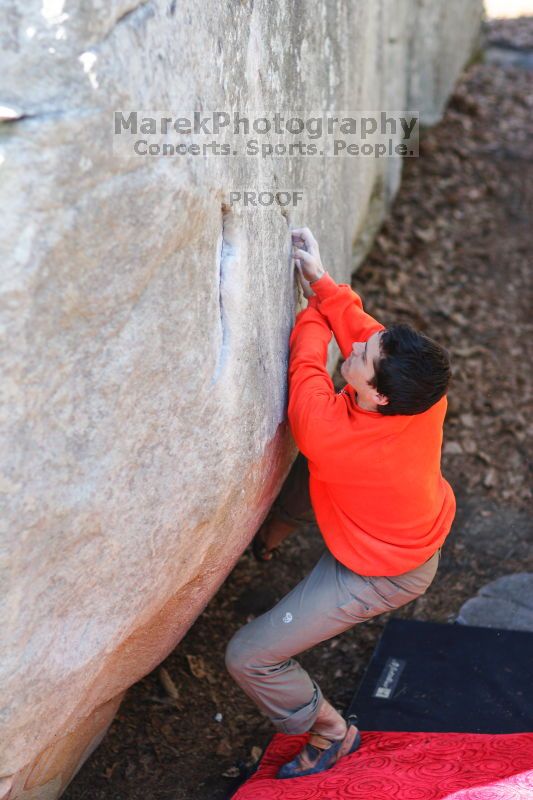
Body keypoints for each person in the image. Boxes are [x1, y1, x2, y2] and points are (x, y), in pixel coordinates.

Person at [225, 226, 456, 780]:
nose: (354, 345)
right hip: (401, 525)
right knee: (319, 471)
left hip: (382, 571)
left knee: (250, 656)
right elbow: (362, 329)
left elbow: (305, 361)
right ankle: (275, 535)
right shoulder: (421, 399)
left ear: (377, 395)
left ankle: (331, 731)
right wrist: (324, 283)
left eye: (362, 357)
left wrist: (310, 307)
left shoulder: (329, 432)